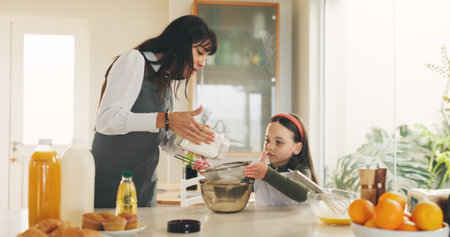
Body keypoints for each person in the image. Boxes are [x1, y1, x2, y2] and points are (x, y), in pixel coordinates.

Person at [92, 15, 217, 208]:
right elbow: (106, 120)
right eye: (200, 52)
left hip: (144, 191)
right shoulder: (134, 60)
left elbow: (165, 141)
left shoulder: (165, 80)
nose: (203, 63)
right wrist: (166, 119)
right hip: (110, 189)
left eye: (206, 57)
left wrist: (191, 151)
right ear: (180, 42)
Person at [193, 113, 318, 206]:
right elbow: (231, 193)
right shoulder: (261, 172)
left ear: (297, 148)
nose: (270, 146)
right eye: (267, 140)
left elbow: (303, 194)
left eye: (279, 142)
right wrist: (211, 173)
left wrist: (267, 174)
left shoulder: (301, 170)